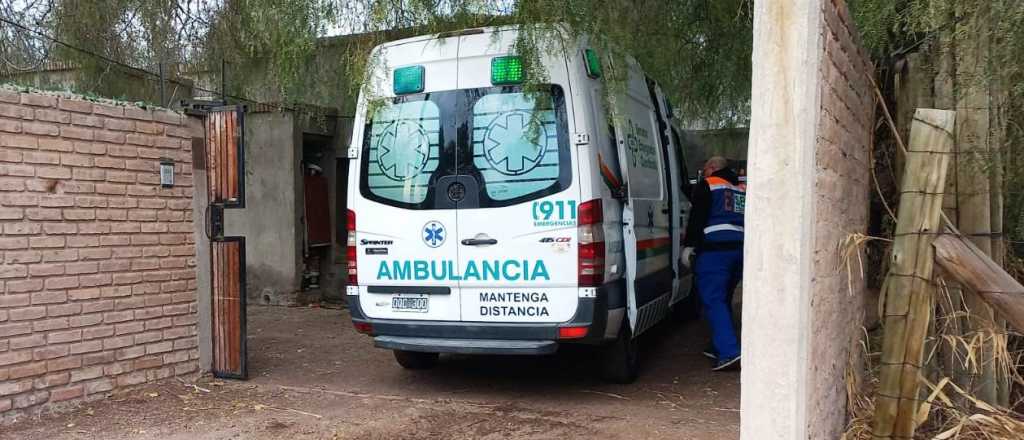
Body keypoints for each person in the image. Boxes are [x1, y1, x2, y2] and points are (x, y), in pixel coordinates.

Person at [683, 156, 745, 371]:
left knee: (713, 300)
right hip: (739, 251)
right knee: (723, 298)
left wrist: (689, 245)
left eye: (705, 168)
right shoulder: (740, 188)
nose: (703, 172)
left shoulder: (708, 185)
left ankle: (729, 352)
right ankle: (718, 346)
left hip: (714, 253)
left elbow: (697, 217)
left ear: (712, 168)